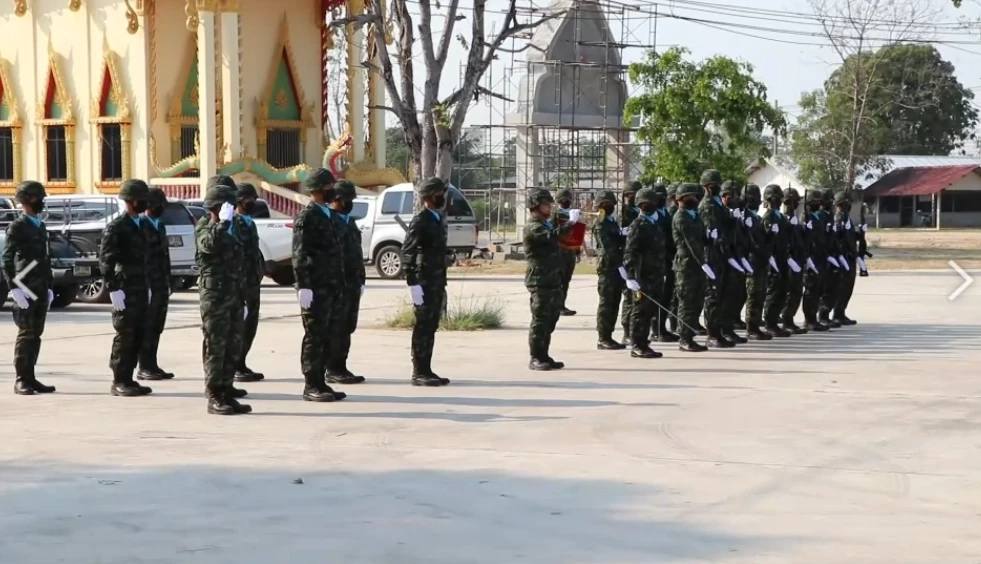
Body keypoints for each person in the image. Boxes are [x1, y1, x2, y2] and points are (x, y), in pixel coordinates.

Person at [292, 168, 348, 402]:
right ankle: (311, 383)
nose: (331, 191)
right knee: (314, 336)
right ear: (317, 190)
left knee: (327, 335)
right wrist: (303, 284)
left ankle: (321, 381)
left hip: (331, 285)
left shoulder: (328, 215)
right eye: (328, 187)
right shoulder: (308, 217)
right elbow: (300, 252)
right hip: (315, 287)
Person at [197, 183, 251, 415]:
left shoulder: (235, 227)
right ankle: (215, 395)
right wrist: (223, 224)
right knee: (216, 346)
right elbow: (209, 246)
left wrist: (245, 295)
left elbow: (242, 260)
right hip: (215, 296)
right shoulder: (205, 227)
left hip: (234, 293)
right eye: (227, 205)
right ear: (217, 207)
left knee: (233, 344)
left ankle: (227, 390)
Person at [100, 179, 154, 397]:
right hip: (125, 288)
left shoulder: (142, 225)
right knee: (125, 335)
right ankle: (119, 380)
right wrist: (113, 288)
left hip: (141, 286)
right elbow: (106, 260)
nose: (144, 204)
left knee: (139, 334)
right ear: (131, 201)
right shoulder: (117, 227)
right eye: (141, 200)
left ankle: (130, 378)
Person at [2, 180, 56, 395]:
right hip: (25, 287)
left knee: (36, 334)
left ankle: (31, 377)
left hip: (40, 285)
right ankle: (21, 379)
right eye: (39, 198)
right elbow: (7, 259)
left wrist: (50, 285)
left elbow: (45, 257)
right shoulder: (18, 226)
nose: (42, 202)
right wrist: (14, 288)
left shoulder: (39, 224)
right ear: (29, 200)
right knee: (26, 334)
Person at [403, 177, 452, 386]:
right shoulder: (421, 220)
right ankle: (419, 371)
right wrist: (412, 282)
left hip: (436, 279)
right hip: (423, 280)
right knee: (423, 326)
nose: (443, 198)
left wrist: (447, 255)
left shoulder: (436, 218)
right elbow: (408, 251)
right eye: (440, 194)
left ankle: (427, 368)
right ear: (431, 197)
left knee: (431, 325)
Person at [524, 188, 578, 370]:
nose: (549, 208)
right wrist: (570, 223)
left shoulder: (546, 224)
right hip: (539, 279)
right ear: (535, 206)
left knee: (551, 318)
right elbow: (550, 236)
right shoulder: (533, 226)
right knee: (540, 320)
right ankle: (535, 357)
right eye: (545, 205)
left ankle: (544, 354)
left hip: (553, 278)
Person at [327, 179, 367, 384]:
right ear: (336, 199)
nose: (350, 203)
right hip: (336, 283)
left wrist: (361, 278)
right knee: (336, 327)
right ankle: (332, 368)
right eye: (347, 199)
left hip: (351, 283)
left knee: (348, 326)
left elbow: (356, 253)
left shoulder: (349, 222)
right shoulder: (329, 221)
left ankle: (341, 366)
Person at [137, 187, 175, 381]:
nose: (161, 209)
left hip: (161, 282)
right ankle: (144, 366)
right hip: (149, 283)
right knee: (147, 325)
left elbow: (164, 256)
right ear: (149, 206)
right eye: (158, 205)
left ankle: (152, 364)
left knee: (157, 325)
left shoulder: (159, 225)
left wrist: (168, 282)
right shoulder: (141, 225)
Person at [623, 187, 666, 359]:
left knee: (650, 311)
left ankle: (643, 340)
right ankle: (636, 344)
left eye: (650, 202)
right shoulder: (638, 224)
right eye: (644, 203)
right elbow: (629, 252)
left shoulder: (654, 223)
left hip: (655, 274)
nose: (648, 205)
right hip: (642, 275)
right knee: (640, 311)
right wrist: (631, 277)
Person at [232, 182, 265, 383]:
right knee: (239, 328)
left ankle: (241, 363)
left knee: (250, 326)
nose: (252, 202)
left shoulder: (249, 222)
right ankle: (234, 365)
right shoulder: (234, 223)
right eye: (247, 199)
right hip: (240, 285)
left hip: (252, 283)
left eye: (253, 198)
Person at [698, 169, 735, 348]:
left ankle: (720, 330)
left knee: (721, 295)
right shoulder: (706, 205)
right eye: (713, 185)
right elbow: (709, 231)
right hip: (711, 254)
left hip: (721, 254)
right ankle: (712, 334)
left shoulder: (718, 204)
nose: (716, 187)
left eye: (717, 185)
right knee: (712, 296)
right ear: (705, 186)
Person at [672, 183, 709, 352]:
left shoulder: (695, 216)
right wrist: (704, 263)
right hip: (686, 265)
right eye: (689, 197)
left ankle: (690, 335)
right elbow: (691, 243)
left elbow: (702, 238)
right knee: (687, 303)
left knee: (697, 301)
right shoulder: (681, 217)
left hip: (697, 265)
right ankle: (684, 338)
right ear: (681, 199)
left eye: (694, 196)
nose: (693, 199)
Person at [591, 190, 626, 350]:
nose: (608, 206)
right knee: (606, 303)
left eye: (610, 203)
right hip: (607, 268)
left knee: (614, 302)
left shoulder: (611, 221)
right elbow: (608, 247)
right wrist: (619, 265)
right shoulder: (600, 223)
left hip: (616, 267)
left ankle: (609, 336)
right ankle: (603, 337)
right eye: (605, 204)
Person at [760, 184, 792, 338]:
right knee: (773, 292)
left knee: (782, 291)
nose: (778, 201)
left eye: (779, 198)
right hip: (773, 259)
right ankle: (769, 324)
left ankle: (774, 322)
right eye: (774, 198)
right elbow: (766, 242)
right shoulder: (768, 217)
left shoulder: (780, 217)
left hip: (782, 257)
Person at [742, 184, 773, 341]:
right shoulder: (743, 218)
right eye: (750, 199)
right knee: (753, 295)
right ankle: (751, 328)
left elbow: (763, 240)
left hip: (761, 261)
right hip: (751, 261)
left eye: (756, 199)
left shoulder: (757, 218)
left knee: (760, 294)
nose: (754, 202)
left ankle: (755, 326)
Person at [720, 181, 748, 344]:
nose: (735, 199)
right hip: (725, 260)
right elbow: (723, 238)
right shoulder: (721, 213)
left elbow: (739, 237)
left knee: (734, 297)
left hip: (736, 258)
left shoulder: (733, 212)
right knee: (725, 298)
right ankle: (723, 330)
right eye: (732, 196)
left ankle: (729, 328)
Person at [651, 183, 679, 343]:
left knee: (667, 296)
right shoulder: (653, 216)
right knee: (659, 297)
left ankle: (662, 328)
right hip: (658, 262)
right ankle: (656, 330)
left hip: (668, 261)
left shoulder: (665, 214)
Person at [800, 188, 831, 332]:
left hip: (820, 257)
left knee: (818, 290)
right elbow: (803, 238)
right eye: (815, 201)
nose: (818, 203)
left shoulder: (817, 217)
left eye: (819, 201)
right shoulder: (804, 217)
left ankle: (814, 318)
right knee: (811, 290)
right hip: (811, 258)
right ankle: (809, 320)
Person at [619, 180, 641, 344]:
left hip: (640, 258)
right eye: (629, 195)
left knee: (637, 298)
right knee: (629, 297)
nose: (631, 198)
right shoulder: (624, 214)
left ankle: (635, 330)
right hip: (628, 258)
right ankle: (627, 331)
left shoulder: (638, 212)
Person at [832, 191, 859, 325]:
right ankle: (837, 313)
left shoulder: (847, 219)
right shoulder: (838, 219)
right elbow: (837, 239)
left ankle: (841, 313)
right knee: (841, 287)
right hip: (843, 258)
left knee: (848, 287)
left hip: (850, 257)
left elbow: (851, 237)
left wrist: (858, 233)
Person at [818, 188, 843, 328]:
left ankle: (826, 315)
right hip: (824, 256)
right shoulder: (820, 216)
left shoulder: (829, 216)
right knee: (825, 289)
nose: (830, 203)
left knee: (832, 288)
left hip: (832, 255)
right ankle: (822, 316)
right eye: (828, 200)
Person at [553, 188, 579, 317]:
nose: (567, 202)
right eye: (564, 200)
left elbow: (577, 233)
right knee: (559, 280)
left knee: (566, 280)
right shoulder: (555, 215)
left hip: (570, 252)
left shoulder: (573, 213)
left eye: (569, 199)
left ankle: (562, 304)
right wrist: (571, 221)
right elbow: (556, 232)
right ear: (559, 201)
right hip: (559, 252)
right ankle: (558, 306)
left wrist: (578, 251)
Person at [665, 183, 681, 334]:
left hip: (674, 256)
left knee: (676, 294)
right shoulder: (672, 214)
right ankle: (673, 324)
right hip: (671, 257)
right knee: (673, 295)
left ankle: (675, 324)